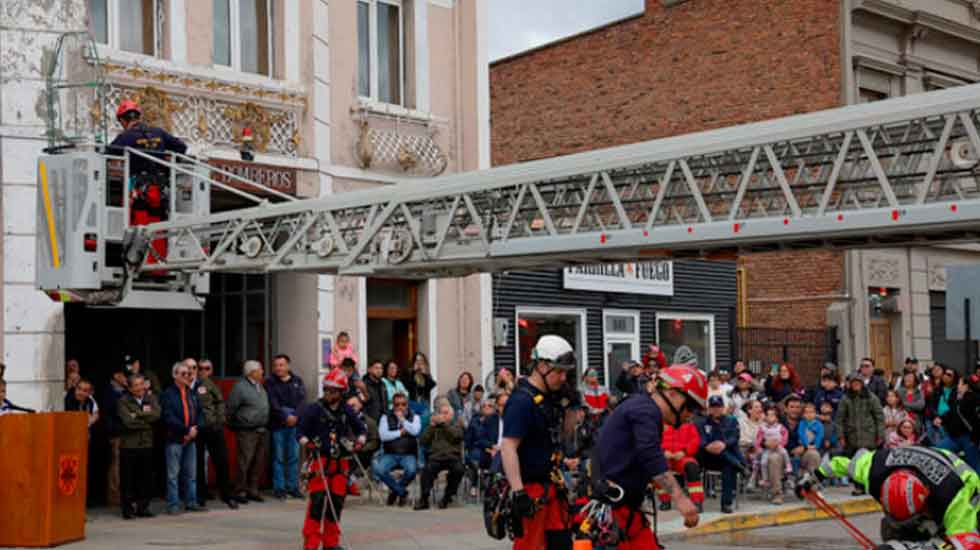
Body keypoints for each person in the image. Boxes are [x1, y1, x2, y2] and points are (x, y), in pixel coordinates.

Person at [594, 363, 704, 550]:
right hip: (612, 512)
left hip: (625, 510)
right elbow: (650, 455)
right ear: (672, 393)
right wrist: (681, 498)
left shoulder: (643, 407)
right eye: (690, 406)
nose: (690, 415)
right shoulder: (646, 411)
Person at [798, 446, 980, 550]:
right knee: (891, 530)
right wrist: (814, 477)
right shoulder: (876, 469)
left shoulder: (956, 497)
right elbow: (843, 462)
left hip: (962, 488)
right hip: (917, 470)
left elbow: (964, 545)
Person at [501, 335, 578, 550]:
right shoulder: (521, 401)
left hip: (553, 486)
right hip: (531, 489)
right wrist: (518, 492)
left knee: (562, 544)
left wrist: (571, 406)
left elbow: (564, 436)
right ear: (542, 366)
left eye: (566, 372)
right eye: (559, 371)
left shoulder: (550, 398)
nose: (564, 378)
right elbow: (508, 447)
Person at [297, 368, 366, 550]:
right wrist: (308, 443)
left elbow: (361, 430)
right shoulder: (313, 410)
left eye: (333, 391)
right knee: (317, 504)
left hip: (340, 463)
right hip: (320, 461)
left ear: (341, 392)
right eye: (326, 389)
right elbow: (299, 432)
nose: (328, 393)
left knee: (336, 504)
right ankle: (311, 543)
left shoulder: (347, 411)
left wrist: (359, 443)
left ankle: (331, 543)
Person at [160, 362, 205, 515]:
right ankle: (173, 504)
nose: (188, 376)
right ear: (175, 375)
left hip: (191, 438)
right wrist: (186, 430)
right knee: (173, 474)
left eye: (189, 373)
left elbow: (200, 412)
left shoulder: (192, 393)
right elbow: (168, 417)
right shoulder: (168, 394)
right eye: (183, 374)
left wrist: (196, 428)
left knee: (191, 474)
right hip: (175, 439)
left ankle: (191, 502)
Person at [192, 359, 237, 509]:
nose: (203, 371)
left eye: (207, 368)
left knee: (222, 461)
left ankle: (226, 495)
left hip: (212, 428)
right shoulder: (190, 384)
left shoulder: (212, 385)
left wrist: (219, 422)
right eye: (200, 368)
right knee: (197, 464)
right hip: (197, 429)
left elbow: (220, 403)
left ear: (211, 370)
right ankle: (200, 495)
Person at [226, 360, 270, 504]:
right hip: (247, 431)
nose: (262, 372)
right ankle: (240, 490)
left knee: (257, 462)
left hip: (261, 429)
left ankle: (253, 490)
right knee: (244, 462)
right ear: (252, 372)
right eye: (260, 370)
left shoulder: (259, 386)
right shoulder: (240, 387)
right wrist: (237, 425)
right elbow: (230, 408)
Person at [117, 373, 160, 519]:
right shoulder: (123, 401)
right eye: (136, 385)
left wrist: (137, 415)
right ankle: (127, 509)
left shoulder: (151, 398)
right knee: (128, 479)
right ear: (129, 388)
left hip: (146, 444)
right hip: (129, 446)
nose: (140, 387)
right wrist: (146, 420)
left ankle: (143, 507)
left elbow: (156, 415)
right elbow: (128, 422)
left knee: (145, 478)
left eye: (141, 384)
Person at [266, 354, 307, 500]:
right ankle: (279, 488)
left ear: (288, 366)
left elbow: (303, 401)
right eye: (276, 365)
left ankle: (293, 487)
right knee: (278, 457)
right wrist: (286, 416)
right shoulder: (270, 382)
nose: (278, 368)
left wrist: (295, 416)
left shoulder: (298, 381)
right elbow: (273, 403)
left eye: (281, 365)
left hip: (295, 424)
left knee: (294, 457)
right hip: (278, 424)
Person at [837, 372, 885, 495]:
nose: (856, 385)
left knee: (868, 463)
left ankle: (869, 485)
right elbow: (840, 419)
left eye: (858, 383)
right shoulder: (846, 399)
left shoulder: (871, 397)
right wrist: (841, 435)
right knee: (856, 462)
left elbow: (879, 417)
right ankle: (858, 486)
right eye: (854, 383)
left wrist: (880, 435)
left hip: (869, 435)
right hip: (852, 436)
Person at [415, 402, 466, 510]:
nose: (443, 415)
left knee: (459, 470)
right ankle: (424, 498)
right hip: (436, 457)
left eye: (446, 413)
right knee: (427, 470)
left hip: (452, 457)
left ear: (451, 415)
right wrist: (431, 427)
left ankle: (447, 497)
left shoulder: (456, 425)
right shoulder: (434, 427)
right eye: (441, 413)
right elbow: (423, 441)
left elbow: (457, 436)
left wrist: (444, 424)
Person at [374, 392, 421, 506]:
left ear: (407, 405)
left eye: (403, 404)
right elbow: (383, 435)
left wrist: (403, 420)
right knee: (379, 470)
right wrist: (400, 432)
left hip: (409, 454)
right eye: (397, 404)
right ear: (393, 405)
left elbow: (415, 431)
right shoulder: (386, 416)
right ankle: (401, 492)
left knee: (411, 471)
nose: (400, 407)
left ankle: (395, 492)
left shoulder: (415, 416)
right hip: (390, 453)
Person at [697, 395, 744, 510]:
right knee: (727, 459)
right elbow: (700, 440)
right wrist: (708, 446)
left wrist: (723, 444)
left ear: (723, 408)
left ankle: (726, 504)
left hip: (724, 455)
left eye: (718, 407)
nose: (715, 409)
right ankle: (740, 465)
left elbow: (734, 438)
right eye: (713, 407)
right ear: (709, 408)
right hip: (708, 457)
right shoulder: (702, 422)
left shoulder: (731, 421)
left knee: (728, 467)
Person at [658, 417, 704, 512]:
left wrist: (684, 452)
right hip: (665, 457)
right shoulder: (660, 426)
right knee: (658, 467)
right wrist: (662, 452)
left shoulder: (689, 426)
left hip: (683, 457)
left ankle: (697, 501)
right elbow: (652, 442)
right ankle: (665, 500)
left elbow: (695, 441)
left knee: (692, 467)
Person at [102, 368, 129, 508]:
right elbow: (107, 414)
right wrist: (113, 431)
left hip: (127, 433)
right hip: (116, 434)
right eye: (123, 375)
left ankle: (124, 495)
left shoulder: (124, 391)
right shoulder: (110, 392)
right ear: (116, 375)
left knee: (123, 465)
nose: (126, 378)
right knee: (116, 466)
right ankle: (114, 497)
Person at [754, 404, 791, 503]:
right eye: (768, 415)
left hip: (779, 449)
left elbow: (785, 437)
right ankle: (766, 480)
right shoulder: (763, 428)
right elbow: (758, 439)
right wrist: (761, 446)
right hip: (768, 450)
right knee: (764, 462)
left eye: (773, 415)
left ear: (777, 417)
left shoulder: (781, 427)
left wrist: (779, 444)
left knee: (781, 454)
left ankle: (788, 467)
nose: (770, 417)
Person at [405, 351, 437, 426]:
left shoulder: (426, 374)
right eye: (417, 360)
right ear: (413, 362)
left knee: (424, 423)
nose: (419, 363)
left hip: (424, 403)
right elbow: (407, 386)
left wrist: (425, 374)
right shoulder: (408, 373)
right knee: (413, 423)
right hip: (412, 403)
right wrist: (413, 371)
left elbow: (432, 385)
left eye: (421, 361)